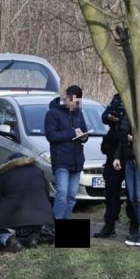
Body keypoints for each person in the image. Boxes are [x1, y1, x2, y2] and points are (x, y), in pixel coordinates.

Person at [94, 93, 139, 239]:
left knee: (133, 192)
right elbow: (104, 116)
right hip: (113, 146)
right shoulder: (118, 97)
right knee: (111, 189)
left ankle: (135, 226)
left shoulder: (138, 98)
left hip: (130, 149)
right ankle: (110, 224)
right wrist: (109, 118)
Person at [44, 85, 89, 219]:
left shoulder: (78, 113)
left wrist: (84, 136)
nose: (76, 105)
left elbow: (84, 130)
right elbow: (51, 136)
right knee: (62, 194)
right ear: (67, 98)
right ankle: (55, 225)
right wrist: (72, 133)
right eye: (74, 102)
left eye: (78, 103)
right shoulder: (52, 113)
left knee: (71, 196)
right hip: (61, 161)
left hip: (76, 161)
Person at [112, 115, 140, 248]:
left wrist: (136, 141)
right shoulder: (127, 117)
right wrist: (117, 157)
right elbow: (122, 140)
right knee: (133, 199)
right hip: (129, 161)